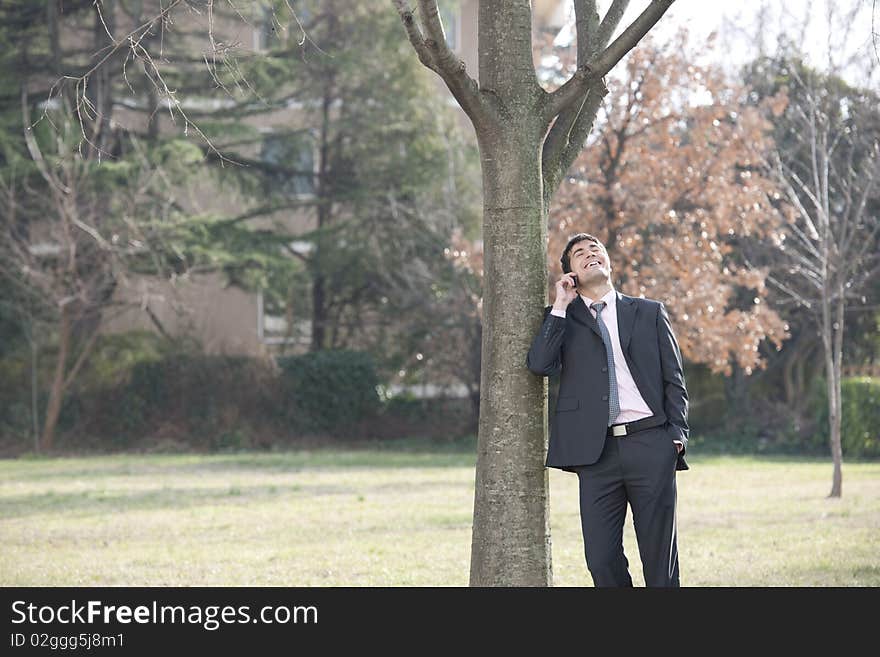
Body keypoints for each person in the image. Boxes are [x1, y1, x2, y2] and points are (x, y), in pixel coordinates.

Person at [526, 232, 689, 587]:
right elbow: (539, 364)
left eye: (595, 249)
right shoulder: (561, 319)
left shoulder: (648, 312)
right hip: (595, 454)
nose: (589, 255)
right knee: (600, 560)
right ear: (569, 273)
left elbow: (673, 379)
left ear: (609, 262)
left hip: (650, 442)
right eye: (579, 254)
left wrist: (676, 436)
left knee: (660, 560)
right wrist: (560, 304)